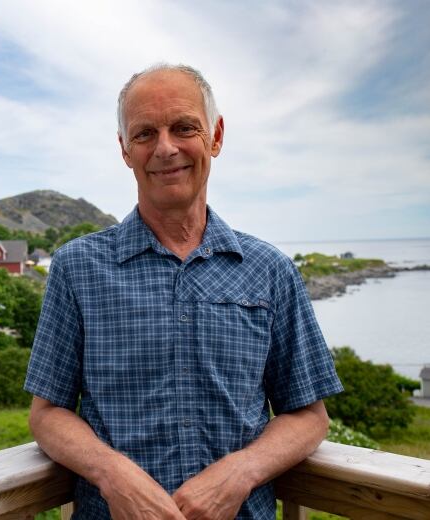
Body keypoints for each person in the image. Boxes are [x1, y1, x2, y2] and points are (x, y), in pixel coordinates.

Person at [24, 64, 343, 519]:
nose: (165, 148)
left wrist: (242, 470)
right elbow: (47, 412)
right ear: (124, 150)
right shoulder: (77, 267)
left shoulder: (269, 269)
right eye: (144, 134)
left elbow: (310, 416)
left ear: (215, 136)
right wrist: (112, 473)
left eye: (184, 127)